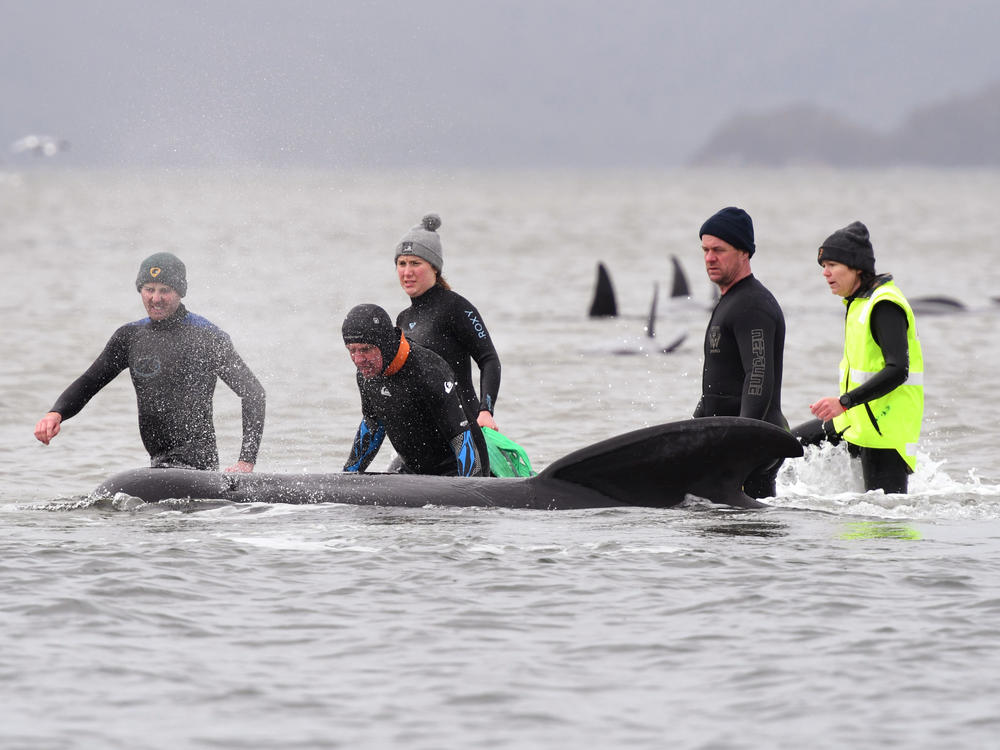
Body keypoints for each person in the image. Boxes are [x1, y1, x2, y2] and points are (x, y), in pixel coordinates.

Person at [34, 252, 266, 472]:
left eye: (165, 290)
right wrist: (56, 413)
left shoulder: (207, 336)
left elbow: (254, 393)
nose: (156, 298)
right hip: (158, 464)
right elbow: (90, 381)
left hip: (198, 468)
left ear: (180, 292)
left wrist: (246, 460)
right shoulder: (130, 337)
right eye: (149, 289)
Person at [804, 221, 924, 494]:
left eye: (832, 265)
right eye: (823, 266)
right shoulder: (858, 302)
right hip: (856, 420)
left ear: (857, 267)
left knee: (882, 523)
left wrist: (844, 402)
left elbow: (898, 370)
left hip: (885, 431)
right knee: (785, 446)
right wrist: (845, 407)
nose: (825, 273)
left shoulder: (883, 304)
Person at [693, 206, 788, 499]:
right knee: (730, 533)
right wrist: (694, 429)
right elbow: (720, 381)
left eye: (719, 250)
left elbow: (757, 374)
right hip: (733, 440)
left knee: (748, 537)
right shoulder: (731, 300)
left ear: (744, 252)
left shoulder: (752, 306)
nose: (709, 258)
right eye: (705, 249)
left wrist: (743, 441)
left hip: (752, 444)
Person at [342, 303, 487, 477]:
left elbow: (461, 438)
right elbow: (373, 424)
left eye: (365, 350)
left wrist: (472, 488)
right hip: (411, 472)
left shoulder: (428, 371)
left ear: (385, 343)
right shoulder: (367, 375)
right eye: (352, 351)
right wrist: (347, 477)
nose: (358, 360)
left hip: (455, 471)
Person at [393, 213, 501, 433]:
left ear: (434, 268)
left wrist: (486, 411)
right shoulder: (403, 319)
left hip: (463, 428)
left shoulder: (456, 307)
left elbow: (489, 360)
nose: (407, 272)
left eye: (415, 263)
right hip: (427, 435)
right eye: (401, 263)